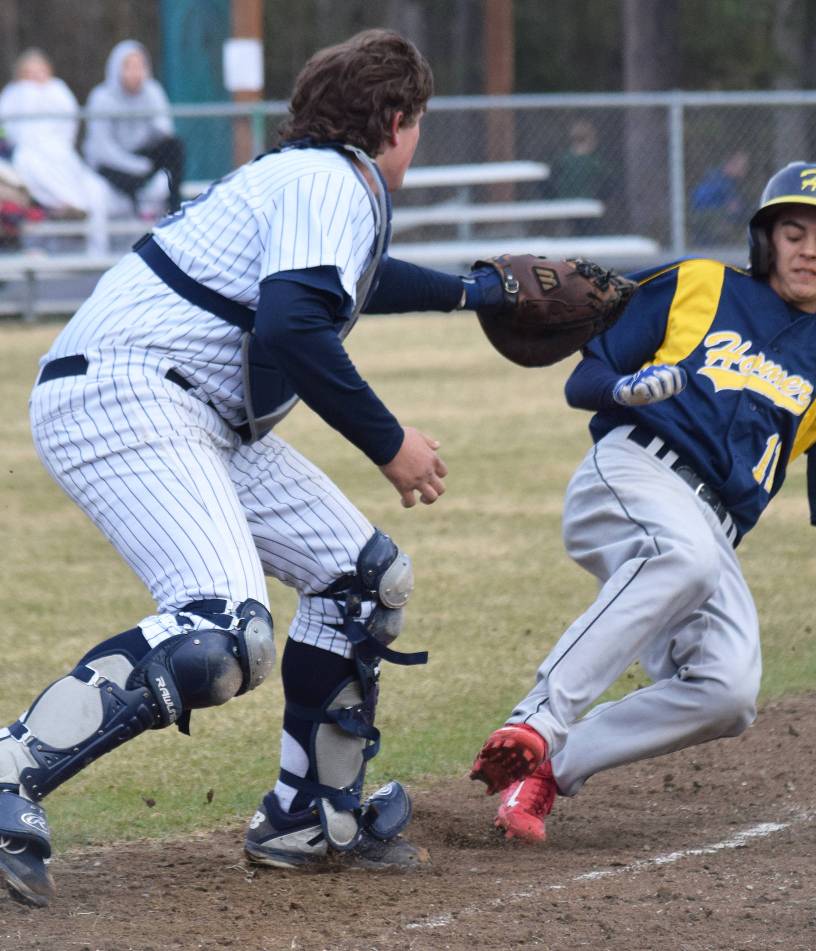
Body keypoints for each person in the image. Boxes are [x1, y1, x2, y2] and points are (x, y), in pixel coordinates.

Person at [0, 29, 509, 908]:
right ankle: (9, 769)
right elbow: (293, 328)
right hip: (133, 394)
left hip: (190, 406)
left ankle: (306, 815)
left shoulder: (302, 178)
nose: (415, 140)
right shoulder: (328, 181)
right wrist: (391, 443)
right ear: (395, 120)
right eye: (417, 122)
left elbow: (345, 283)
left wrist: (472, 290)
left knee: (362, 577)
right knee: (223, 633)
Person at [469, 161, 816, 843]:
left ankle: (543, 772)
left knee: (728, 691)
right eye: (793, 231)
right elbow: (586, 378)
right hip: (630, 472)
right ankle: (539, 719)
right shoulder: (699, 284)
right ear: (764, 240)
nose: (809, 250)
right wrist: (624, 390)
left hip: (711, 530)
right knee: (682, 557)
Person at [0, 48, 112, 252]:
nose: (35, 79)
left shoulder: (57, 91)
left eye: (40, 72)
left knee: (96, 190)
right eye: (29, 73)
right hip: (30, 152)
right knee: (31, 164)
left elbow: (67, 126)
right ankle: (66, 204)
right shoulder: (15, 93)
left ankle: (86, 227)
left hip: (60, 153)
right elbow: (12, 129)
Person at [83, 40, 185, 215]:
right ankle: (139, 208)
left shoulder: (152, 91)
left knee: (175, 147)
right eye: (129, 66)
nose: (135, 73)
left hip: (142, 158)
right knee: (122, 177)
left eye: (140, 66)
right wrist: (134, 165)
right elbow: (102, 148)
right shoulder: (101, 98)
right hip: (113, 163)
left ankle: (174, 206)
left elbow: (165, 130)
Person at [546, 119, 612, 236]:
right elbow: (608, 184)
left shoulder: (562, 160)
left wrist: (556, 198)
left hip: (565, 206)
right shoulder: (594, 162)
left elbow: (549, 183)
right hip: (589, 207)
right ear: (590, 140)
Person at [689, 149, 750, 245]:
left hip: (714, 232)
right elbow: (733, 210)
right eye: (742, 165)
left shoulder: (728, 182)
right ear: (731, 163)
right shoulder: (718, 181)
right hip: (709, 235)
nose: (745, 169)